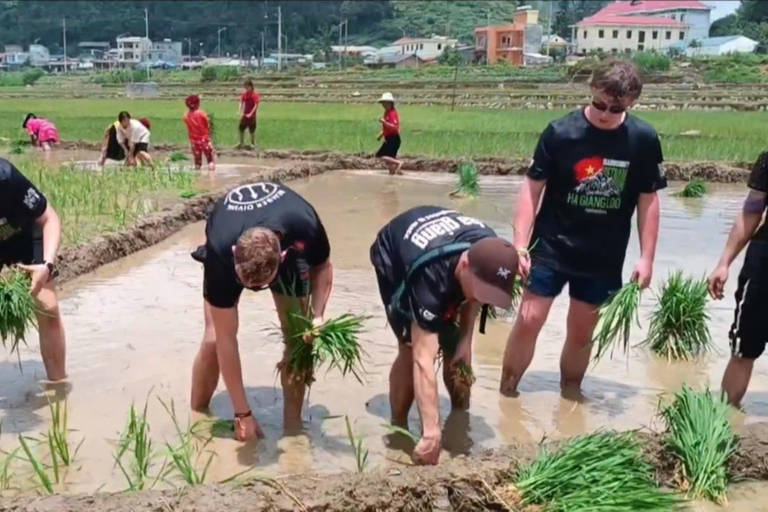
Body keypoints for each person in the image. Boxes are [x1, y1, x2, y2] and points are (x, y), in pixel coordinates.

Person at [500, 60, 666, 397]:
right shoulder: (561, 132)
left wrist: (647, 258)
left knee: (581, 332)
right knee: (530, 318)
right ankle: (507, 391)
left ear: (630, 103)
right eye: (599, 104)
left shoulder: (643, 139)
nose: (605, 114)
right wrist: (519, 245)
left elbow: (648, 201)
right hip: (551, 244)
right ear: (591, 91)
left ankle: (570, 395)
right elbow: (531, 189)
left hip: (602, 254)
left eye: (615, 108)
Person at [370, 206, 519, 465]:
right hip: (395, 255)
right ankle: (399, 427)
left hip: (445, 256)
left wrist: (465, 342)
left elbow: (473, 298)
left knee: (455, 350)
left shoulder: (491, 250)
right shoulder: (429, 274)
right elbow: (423, 360)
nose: (483, 297)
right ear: (464, 265)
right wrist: (431, 432)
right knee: (410, 349)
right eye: (480, 288)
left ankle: (460, 416)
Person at [190, 181, 333, 440]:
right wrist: (242, 413)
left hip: (284, 241)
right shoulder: (222, 248)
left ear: (282, 258)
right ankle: (197, 415)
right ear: (234, 254)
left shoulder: (304, 224)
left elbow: (322, 267)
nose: (255, 291)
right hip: (230, 243)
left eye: (261, 286)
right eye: (248, 285)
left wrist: (318, 315)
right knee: (212, 338)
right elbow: (226, 339)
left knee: (299, 338)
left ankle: (293, 429)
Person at [708, 149, 768, 408]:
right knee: (743, 348)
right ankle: (722, 420)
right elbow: (751, 211)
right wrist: (724, 262)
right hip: (763, 267)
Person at [0, 158, 66, 382]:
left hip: (25, 235)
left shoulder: (7, 177)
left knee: (48, 307)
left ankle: (58, 386)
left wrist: (46, 265)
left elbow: (49, 219)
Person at [183, 95, 216, 172]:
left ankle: (197, 177)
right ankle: (212, 177)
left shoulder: (186, 116)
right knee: (210, 159)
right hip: (204, 139)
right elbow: (207, 124)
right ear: (197, 104)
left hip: (194, 141)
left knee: (197, 162)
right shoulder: (201, 114)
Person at [376, 92, 403, 175]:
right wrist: (381, 134)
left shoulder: (392, 113)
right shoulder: (386, 112)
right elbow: (388, 128)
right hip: (389, 138)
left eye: (385, 103)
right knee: (390, 162)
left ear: (390, 103)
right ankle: (394, 177)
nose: (384, 105)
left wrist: (384, 122)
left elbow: (395, 127)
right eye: (383, 103)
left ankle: (399, 163)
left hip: (393, 139)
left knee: (380, 155)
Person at [238, 79, 260, 150]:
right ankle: (241, 143)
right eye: (245, 87)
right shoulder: (245, 94)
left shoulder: (255, 94)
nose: (246, 89)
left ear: (251, 86)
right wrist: (239, 110)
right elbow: (241, 102)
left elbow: (256, 105)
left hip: (252, 115)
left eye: (247, 87)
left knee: (252, 129)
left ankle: (253, 143)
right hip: (245, 114)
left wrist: (251, 113)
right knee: (241, 128)